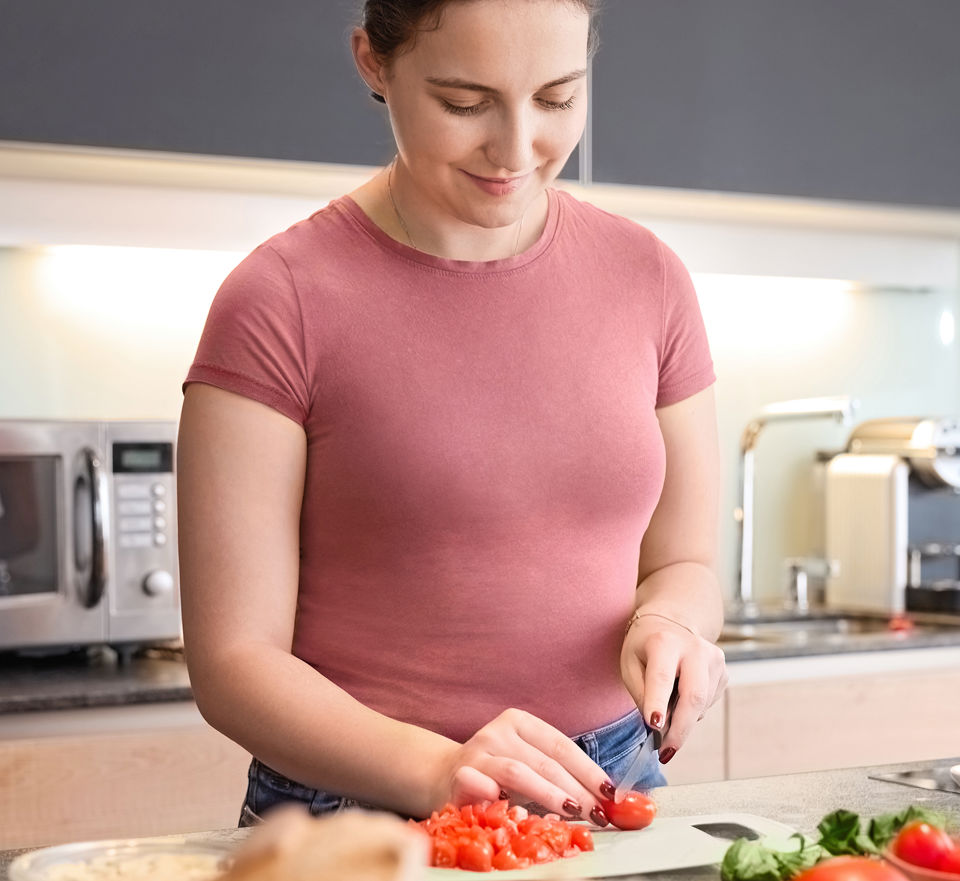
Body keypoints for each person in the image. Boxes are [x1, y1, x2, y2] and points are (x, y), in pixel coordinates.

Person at [177, 0, 727, 830]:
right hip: (361, 812)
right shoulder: (277, 301)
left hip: (610, 788)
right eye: (465, 103)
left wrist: (672, 622)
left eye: (556, 98)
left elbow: (684, 560)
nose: (515, 149)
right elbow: (233, 662)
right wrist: (443, 767)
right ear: (373, 63)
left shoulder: (650, 278)